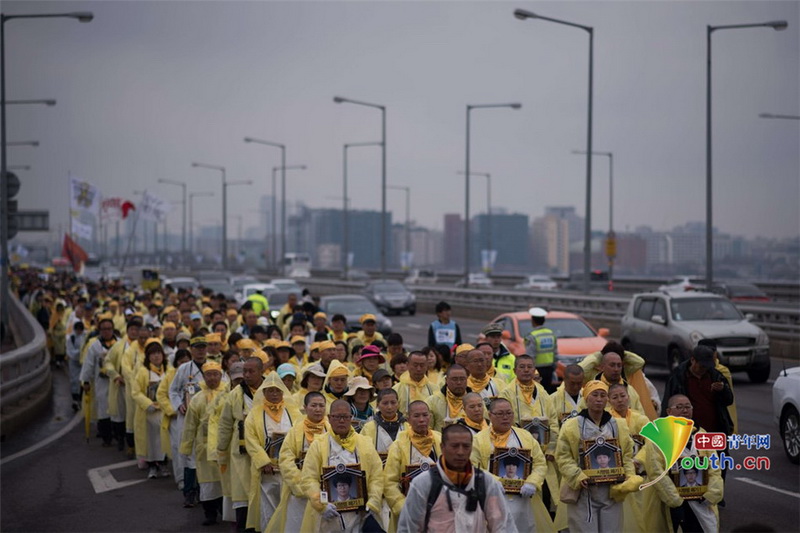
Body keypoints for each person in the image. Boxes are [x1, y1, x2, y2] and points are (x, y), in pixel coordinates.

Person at [555, 380, 642, 533]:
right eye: (594, 395)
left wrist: (628, 476)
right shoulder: (571, 425)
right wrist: (577, 476)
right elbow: (563, 456)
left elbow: (626, 455)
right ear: (586, 398)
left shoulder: (619, 425)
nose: (599, 399)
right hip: (584, 491)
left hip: (611, 491)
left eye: (603, 395)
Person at [397, 423, 517, 533]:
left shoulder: (486, 482)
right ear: (442, 447)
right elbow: (408, 528)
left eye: (466, 446)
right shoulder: (423, 484)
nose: (460, 452)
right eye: (454, 446)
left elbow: (503, 526)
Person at [299, 399, 385, 532]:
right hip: (328, 517)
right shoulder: (318, 445)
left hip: (360, 515)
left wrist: (373, 502)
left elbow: (376, 476)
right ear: (329, 418)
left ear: (351, 418)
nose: (341, 420)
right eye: (337, 417)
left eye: (345, 417)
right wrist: (321, 504)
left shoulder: (365, 443)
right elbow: (309, 479)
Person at [647, 394, 723, 533]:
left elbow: (715, 467)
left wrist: (711, 494)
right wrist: (675, 500)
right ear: (669, 412)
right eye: (679, 407)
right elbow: (656, 471)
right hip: (675, 503)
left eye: (688, 407)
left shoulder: (702, 434)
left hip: (702, 500)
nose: (685, 410)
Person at [471, 398, 550, 532]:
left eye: (509, 413)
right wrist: (495, 482)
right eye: (500, 414)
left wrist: (532, 482)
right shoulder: (478, 439)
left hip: (523, 499)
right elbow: (473, 468)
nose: (505, 417)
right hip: (492, 498)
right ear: (490, 415)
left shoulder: (525, 436)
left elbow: (540, 463)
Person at [500, 354, 560, 515]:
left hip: (544, 454)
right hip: (519, 453)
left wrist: (552, 448)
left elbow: (553, 421)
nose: (526, 370)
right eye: (522, 367)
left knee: (546, 498)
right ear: (515, 370)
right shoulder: (507, 393)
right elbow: (505, 423)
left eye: (529, 367)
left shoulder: (542, 392)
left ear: (535, 370)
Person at [244, 372, 302, 532]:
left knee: (288, 507)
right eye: (270, 390)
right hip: (267, 472)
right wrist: (264, 461)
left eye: (277, 390)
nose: (275, 394)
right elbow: (251, 440)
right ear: (264, 392)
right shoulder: (254, 415)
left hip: (289, 470)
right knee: (268, 509)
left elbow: (300, 435)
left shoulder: (293, 412)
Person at [216, 356, 265, 532]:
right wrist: (221, 449)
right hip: (241, 453)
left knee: (264, 495)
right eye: (245, 371)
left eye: (251, 371)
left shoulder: (271, 390)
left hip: (265, 451)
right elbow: (225, 424)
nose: (247, 375)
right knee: (243, 495)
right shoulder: (235, 394)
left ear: (261, 371)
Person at [180, 361, 230, 526]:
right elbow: (190, 425)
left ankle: (225, 512)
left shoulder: (228, 394)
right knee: (208, 483)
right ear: (204, 376)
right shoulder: (197, 399)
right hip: (204, 448)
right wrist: (186, 446)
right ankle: (210, 513)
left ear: (221, 375)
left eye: (216, 374)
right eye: (209, 374)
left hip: (224, 447)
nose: (213, 378)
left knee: (224, 482)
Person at [384, 401, 443, 532]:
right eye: (416, 416)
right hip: (409, 513)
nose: (421, 420)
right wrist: (404, 507)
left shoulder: (441, 440)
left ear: (430, 417)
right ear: (408, 419)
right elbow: (389, 482)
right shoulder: (398, 445)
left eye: (425, 415)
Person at [169, 336, 210, 507]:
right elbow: (174, 390)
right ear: (191, 349)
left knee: (205, 456)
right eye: (197, 347)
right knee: (188, 456)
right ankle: (189, 492)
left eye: (203, 347)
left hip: (207, 420)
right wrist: (179, 405)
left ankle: (204, 492)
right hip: (188, 419)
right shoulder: (184, 369)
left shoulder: (213, 368)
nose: (200, 350)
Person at [661, 345, 734, 435]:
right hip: (688, 431)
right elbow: (668, 403)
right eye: (702, 366)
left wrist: (723, 390)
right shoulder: (678, 377)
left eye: (707, 366)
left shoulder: (716, 376)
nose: (704, 369)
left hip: (714, 431)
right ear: (693, 360)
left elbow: (729, 401)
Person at [579, 342, 658, 420]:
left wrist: (622, 354)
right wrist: (599, 355)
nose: (616, 369)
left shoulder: (630, 391)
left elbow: (641, 419)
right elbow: (580, 419)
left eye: (619, 365)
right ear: (602, 366)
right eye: (612, 365)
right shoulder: (591, 392)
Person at [131, 338, 168, 478]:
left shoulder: (168, 371)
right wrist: (148, 403)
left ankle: (163, 464)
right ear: (148, 356)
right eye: (153, 354)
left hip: (164, 412)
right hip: (149, 413)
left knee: (164, 440)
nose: (156, 356)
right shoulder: (143, 372)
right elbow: (136, 392)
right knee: (151, 441)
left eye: (159, 353)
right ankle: (152, 466)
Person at [80, 315, 118, 447]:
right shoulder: (94, 346)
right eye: (103, 329)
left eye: (109, 328)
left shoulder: (119, 344)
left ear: (113, 329)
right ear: (100, 330)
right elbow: (88, 364)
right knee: (103, 409)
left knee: (118, 409)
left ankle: (118, 436)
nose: (106, 331)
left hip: (117, 382)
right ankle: (106, 437)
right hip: (101, 383)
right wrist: (85, 381)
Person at [157, 348, 191, 488]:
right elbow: (162, 394)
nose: (184, 364)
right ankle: (181, 478)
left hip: (194, 417)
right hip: (177, 418)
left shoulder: (195, 373)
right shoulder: (171, 375)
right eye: (181, 361)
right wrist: (174, 409)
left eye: (186, 361)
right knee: (178, 448)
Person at [524, 307, 558, 393]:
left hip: (537, 370)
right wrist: (553, 367)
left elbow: (530, 356)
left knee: (536, 393)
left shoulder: (532, 336)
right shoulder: (550, 333)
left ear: (533, 321)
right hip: (549, 369)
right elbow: (555, 353)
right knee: (547, 392)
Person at [426, 364, 470, 431]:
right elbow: (427, 430)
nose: (459, 382)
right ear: (446, 380)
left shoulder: (476, 401)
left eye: (462, 379)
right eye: (454, 379)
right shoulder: (432, 401)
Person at [548, 364, 585, 428]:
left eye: (579, 383)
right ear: (564, 379)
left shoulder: (588, 397)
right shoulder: (552, 400)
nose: (576, 387)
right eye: (572, 383)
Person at [67, 320, 87, 411]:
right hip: (74, 362)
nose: (79, 331)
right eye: (77, 329)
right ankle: (75, 400)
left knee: (83, 380)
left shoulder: (86, 337)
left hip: (83, 362)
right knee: (74, 380)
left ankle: (81, 399)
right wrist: (80, 352)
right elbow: (71, 352)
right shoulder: (71, 338)